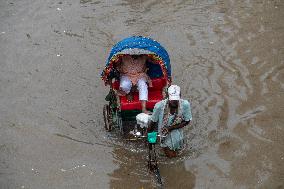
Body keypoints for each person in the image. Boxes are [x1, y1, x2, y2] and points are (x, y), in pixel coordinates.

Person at [148, 85, 192, 158]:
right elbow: (152, 124)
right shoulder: (159, 106)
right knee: (171, 157)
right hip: (163, 133)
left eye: (176, 100)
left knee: (178, 151)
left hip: (177, 132)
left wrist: (171, 128)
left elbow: (187, 121)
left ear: (180, 96)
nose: (174, 102)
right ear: (167, 96)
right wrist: (150, 142)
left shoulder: (185, 104)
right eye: (172, 100)